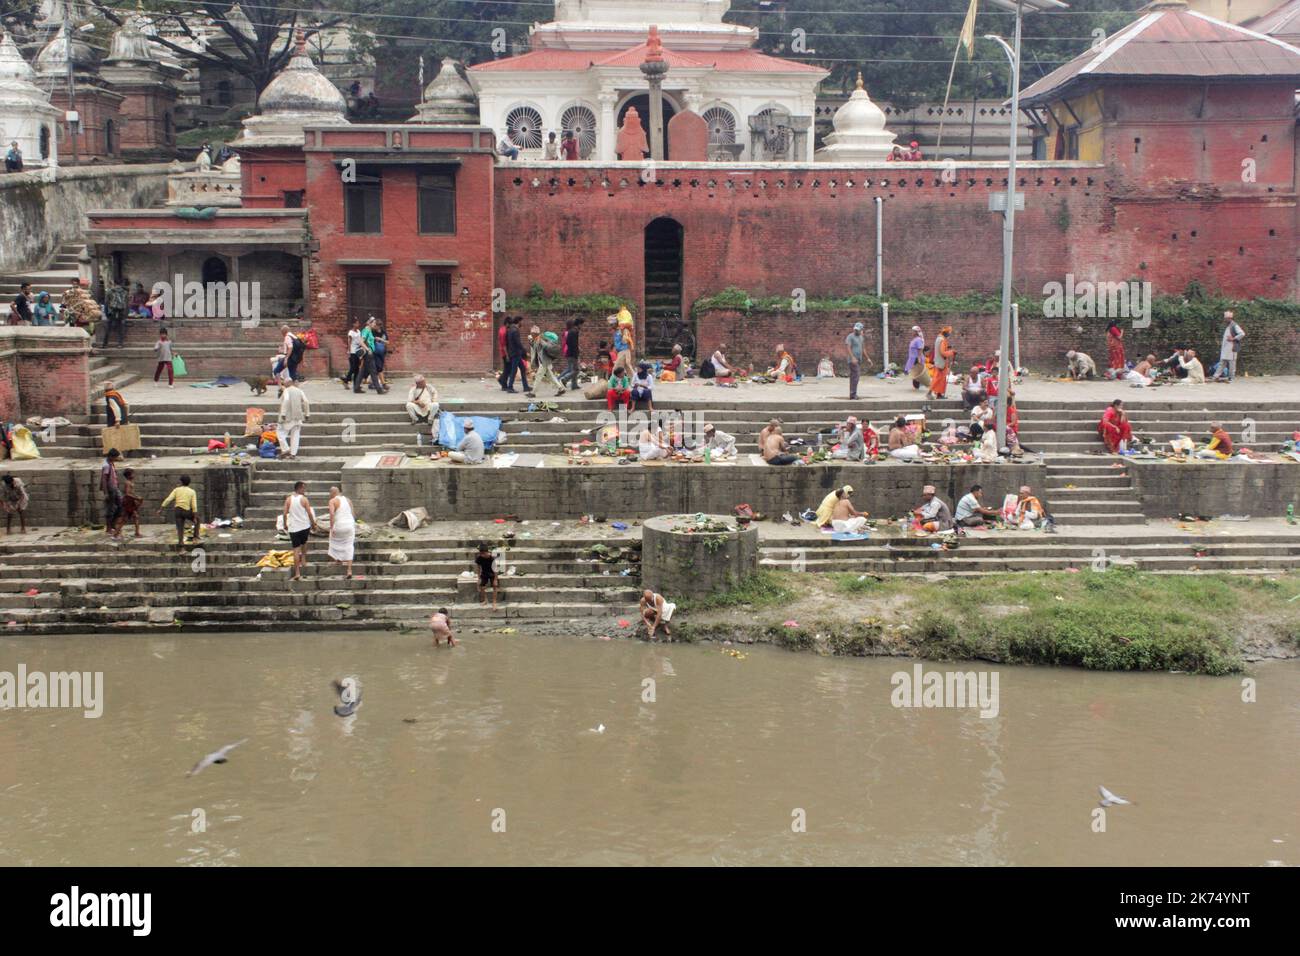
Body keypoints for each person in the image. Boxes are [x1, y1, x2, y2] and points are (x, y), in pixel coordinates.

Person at [282, 481, 321, 581]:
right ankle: (303, 559)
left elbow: (284, 513)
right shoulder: (304, 499)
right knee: (304, 543)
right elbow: (309, 514)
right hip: (304, 527)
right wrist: (313, 524)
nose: (305, 490)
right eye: (303, 488)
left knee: (296, 550)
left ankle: (297, 573)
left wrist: (285, 524)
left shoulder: (288, 499)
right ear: (299, 488)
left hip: (294, 528)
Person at [160, 474, 201, 551]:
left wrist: (161, 508)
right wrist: (194, 517)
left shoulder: (176, 490)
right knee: (198, 520)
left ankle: (181, 548)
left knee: (180, 529)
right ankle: (195, 537)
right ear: (189, 483)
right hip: (186, 511)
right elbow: (194, 505)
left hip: (177, 511)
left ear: (181, 482)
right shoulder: (192, 491)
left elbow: (168, 499)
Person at [527, 327, 566, 398]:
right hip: (544, 361)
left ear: (535, 333)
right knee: (551, 376)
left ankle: (533, 393)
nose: (531, 334)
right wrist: (531, 341)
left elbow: (545, 346)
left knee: (538, 376)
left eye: (532, 333)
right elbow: (535, 347)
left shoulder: (540, 339)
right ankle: (561, 388)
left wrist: (541, 343)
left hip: (544, 361)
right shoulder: (537, 339)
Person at [327, 486, 356, 578]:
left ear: (332, 493)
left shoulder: (332, 501)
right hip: (349, 525)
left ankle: (338, 560)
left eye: (330, 493)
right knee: (349, 546)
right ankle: (349, 570)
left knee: (333, 540)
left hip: (339, 525)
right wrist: (353, 525)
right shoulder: (348, 500)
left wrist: (331, 528)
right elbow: (353, 514)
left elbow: (331, 514)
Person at [278, 379, 310, 458]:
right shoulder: (300, 391)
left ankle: (285, 449)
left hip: (288, 417)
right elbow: (306, 401)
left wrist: (283, 413)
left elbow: (286, 400)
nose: (283, 385)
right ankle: (293, 454)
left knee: (280, 432)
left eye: (284, 383)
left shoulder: (286, 390)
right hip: (298, 417)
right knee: (295, 435)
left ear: (288, 383)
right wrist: (307, 414)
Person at [1213, 311, 1245, 382]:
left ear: (1229, 318)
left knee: (1232, 364)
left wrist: (1233, 338)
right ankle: (1216, 376)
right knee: (1222, 362)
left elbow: (1242, 333)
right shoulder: (1228, 326)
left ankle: (1231, 378)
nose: (1224, 320)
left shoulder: (1234, 325)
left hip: (1232, 348)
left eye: (1225, 319)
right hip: (1225, 348)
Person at [101, 449, 124, 541]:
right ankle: (109, 528)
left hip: (115, 487)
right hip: (111, 489)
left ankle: (114, 525)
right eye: (115, 457)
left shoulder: (110, 463)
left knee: (120, 505)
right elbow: (104, 480)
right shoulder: (106, 465)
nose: (116, 459)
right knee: (110, 508)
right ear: (111, 456)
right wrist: (106, 493)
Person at [844, 319, 870, 395]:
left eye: (858, 330)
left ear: (861, 330)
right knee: (856, 375)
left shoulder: (861, 337)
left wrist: (868, 358)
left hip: (859, 360)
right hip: (852, 360)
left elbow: (863, 348)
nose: (856, 331)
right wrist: (852, 357)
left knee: (854, 376)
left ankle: (853, 393)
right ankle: (853, 394)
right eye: (855, 329)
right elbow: (848, 347)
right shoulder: (850, 336)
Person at [503, 317, 528, 393]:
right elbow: (518, 343)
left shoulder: (510, 330)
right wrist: (524, 350)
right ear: (519, 321)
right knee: (514, 370)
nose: (522, 323)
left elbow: (507, 343)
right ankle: (510, 387)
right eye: (521, 322)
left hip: (513, 353)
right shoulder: (515, 330)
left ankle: (526, 387)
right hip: (516, 353)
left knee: (522, 368)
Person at [929, 326, 954, 399]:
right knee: (937, 379)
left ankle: (939, 394)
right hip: (941, 363)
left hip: (939, 362)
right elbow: (942, 352)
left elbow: (941, 349)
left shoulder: (938, 338)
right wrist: (951, 352)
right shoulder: (942, 340)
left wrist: (948, 348)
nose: (949, 335)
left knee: (942, 379)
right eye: (949, 333)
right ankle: (929, 393)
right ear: (945, 333)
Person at [560, 317, 583, 390]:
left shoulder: (570, 331)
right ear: (579, 324)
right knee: (576, 370)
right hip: (573, 354)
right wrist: (576, 353)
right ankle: (565, 379)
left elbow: (567, 342)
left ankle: (574, 385)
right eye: (581, 325)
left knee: (573, 369)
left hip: (569, 352)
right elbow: (574, 344)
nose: (582, 326)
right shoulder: (575, 331)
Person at [475, 543, 499, 609]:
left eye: (484, 553)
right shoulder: (479, 558)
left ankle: (494, 602)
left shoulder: (492, 558)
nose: (482, 555)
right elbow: (478, 568)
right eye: (481, 554)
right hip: (484, 573)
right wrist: (479, 578)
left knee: (495, 586)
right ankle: (485, 600)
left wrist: (495, 579)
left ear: (487, 552)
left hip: (492, 573)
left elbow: (496, 569)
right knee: (482, 586)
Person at [341, 318, 363, 387]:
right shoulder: (351, 333)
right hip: (353, 352)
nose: (358, 324)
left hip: (358, 351)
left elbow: (360, 340)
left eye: (358, 323)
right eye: (356, 323)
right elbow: (349, 342)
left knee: (357, 368)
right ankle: (346, 380)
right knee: (353, 368)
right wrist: (349, 352)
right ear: (353, 324)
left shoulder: (359, 331)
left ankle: (356, 384)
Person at [121, 468, 142, 538]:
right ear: (129, 475)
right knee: (125, 519)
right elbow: (127, 494)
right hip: (128, 502)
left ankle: (137, 532)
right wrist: (137, 498)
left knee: (135, 517)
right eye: (132, 474)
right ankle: (116, 534)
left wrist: (137, 497)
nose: (134, 475)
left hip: (131, 502)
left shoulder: (130, 482)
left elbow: (131, 493)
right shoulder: (127, 483)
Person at [905, 325, 925, 389]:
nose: (911, 332)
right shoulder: (914, 339)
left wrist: (919, 358)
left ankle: (917, 386)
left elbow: (920, 349)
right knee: (914, 372)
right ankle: (916, 386)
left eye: (913, 331)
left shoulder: (918, 340)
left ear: (916, 332)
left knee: (916, 372)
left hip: (916, 358)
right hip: (912, 358)